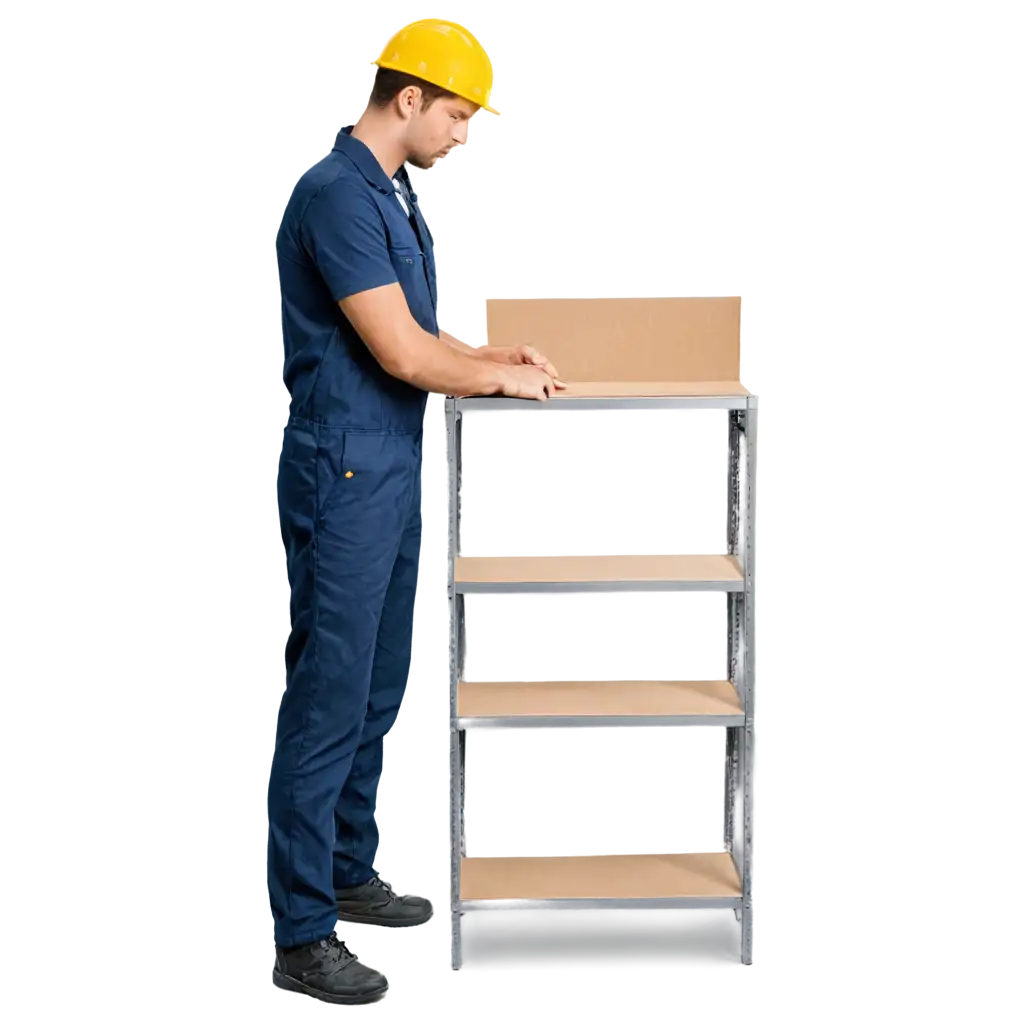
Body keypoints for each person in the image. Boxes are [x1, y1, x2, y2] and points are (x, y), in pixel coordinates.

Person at [265, 18, 564, 1008]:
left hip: (388, 464)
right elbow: (398, 354)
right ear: (408, 101)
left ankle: (348, 872)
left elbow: (418, 334)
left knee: (378, 684)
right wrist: (494, 386)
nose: (464, 136)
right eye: (459, 116)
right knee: (328, 699)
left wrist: (491, 356)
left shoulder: (390, 191)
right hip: (346, 471)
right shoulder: (334, 193)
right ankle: (303, 933)